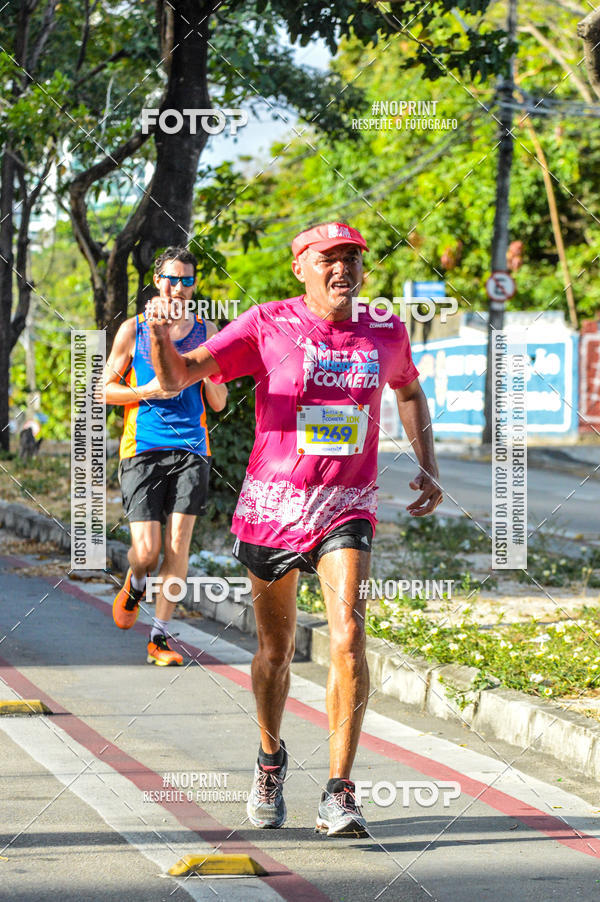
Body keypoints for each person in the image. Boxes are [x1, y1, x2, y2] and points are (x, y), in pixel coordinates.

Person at [147, 222, 442, 833]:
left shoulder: (385, 328)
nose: (342, 269)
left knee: (348, 636)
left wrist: (428, 464)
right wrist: (156, 335)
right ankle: (270, 760)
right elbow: (178, 377)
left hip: (347, 504)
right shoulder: (266, 323)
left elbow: (409, 391)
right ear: (300, 268)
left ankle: (340, 790)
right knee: (274, 651)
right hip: (273, 507)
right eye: (327, 259)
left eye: (351, 258)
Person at [103, 246, 227, 665]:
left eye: (186, 280)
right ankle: (136, 581)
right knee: (147, 552)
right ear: (157, 281)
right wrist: (147, 391)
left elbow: (220, 402)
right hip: (142, 449)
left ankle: (159, 637)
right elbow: (104, 390)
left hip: (192, 448)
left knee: (177, 546)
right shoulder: (133, 329)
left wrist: (206, 374)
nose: (178, 287)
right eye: (171, 278)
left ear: (194, 286)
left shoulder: (207, 330)